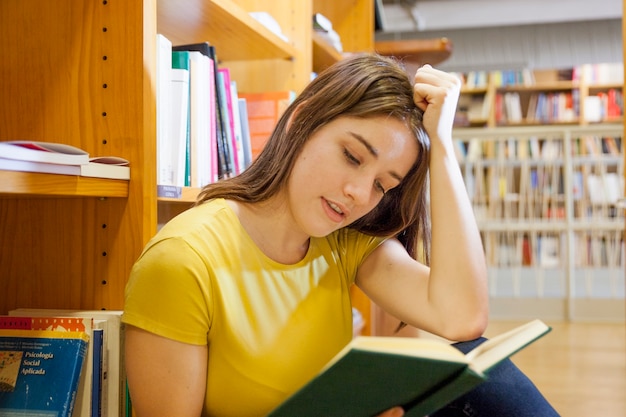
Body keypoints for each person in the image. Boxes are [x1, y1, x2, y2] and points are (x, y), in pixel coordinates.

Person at [122, 53, 559, 417]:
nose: (357, 193)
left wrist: (442, 146)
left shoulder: (342, 242)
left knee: (477, 367)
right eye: (351, 156)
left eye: (382, 185)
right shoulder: (182, 260)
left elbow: (461, 318)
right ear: (299, 122)